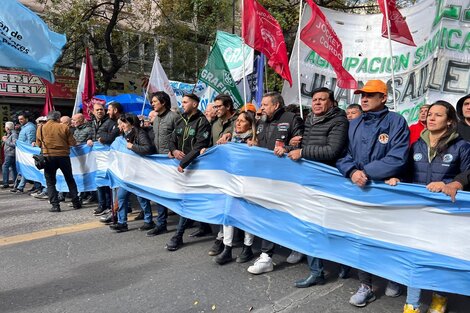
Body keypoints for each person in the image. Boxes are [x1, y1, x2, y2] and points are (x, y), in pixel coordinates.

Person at [384, 101, 470, 313]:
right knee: (416, 255)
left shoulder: (462, 146)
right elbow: (408, 171)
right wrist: (397, 178)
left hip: (446, 213)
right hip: (419, 212)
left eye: (437, 115)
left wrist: (453, 184)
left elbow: (468, 172)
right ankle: (412, 303)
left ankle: (439, 298)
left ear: (449, 121)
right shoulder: (417, 145)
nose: (431, 118)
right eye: (430, 114)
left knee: (440, 256)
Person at [336, 79, 410, 307]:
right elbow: (342, 153)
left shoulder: (397, 122)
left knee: (388, 236)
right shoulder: (354, 122)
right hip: (358, 190)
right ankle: (365, 284)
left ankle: (393, 277)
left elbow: (397, 157)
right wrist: (350, 171)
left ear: (384, 98)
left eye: (370, 95)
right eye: (362, 95)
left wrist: (364, 172)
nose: (364, 99)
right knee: (361, 238)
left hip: (384, 193)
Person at [287, 87, 350, 288]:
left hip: (328, 182)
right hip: (309, 180)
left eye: (322, 99)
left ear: (331, 102)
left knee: (332, 227)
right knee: (309, 225)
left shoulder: (339, 121)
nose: (317, 103)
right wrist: (289, 148)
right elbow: (306, 145)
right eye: (314, 100)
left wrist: (303, 152)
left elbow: (332, 151)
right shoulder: (310, 120)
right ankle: (317, 272)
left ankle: (345, 263)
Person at [247, 91, 304, 275]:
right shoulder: (262, 121)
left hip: (287, 177)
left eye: (264, 104)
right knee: (268, 214)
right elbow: (262, 144)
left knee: (289, 214)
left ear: (276, 105)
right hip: (265, 177)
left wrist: (286, 148)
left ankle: (297, 246)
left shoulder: (293, 118)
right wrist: (254, 144)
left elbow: (301, 144)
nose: (261, 107)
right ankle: (266, 256)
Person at [165, 93, 211, 251]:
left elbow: (200, 145)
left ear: (195, 104)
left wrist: (184, 162)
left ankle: (178, 235)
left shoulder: (202, 122)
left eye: (185, 102)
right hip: (181, 167)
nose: (182, 104)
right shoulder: (180, 119)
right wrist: (174, 150)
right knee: (190, 197)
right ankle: (205, 227)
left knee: (187, 199)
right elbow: (171, 139)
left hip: (195, 167)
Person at [110, 113, 156, 233]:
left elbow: (148, 149)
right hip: (126, 172)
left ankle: (149, 221)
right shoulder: (122, 135)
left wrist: (132, 146)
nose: (121, 125)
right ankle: (122, 223)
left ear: (131, 123)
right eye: (120, 123)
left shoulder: (139, 133)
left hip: (138, 171)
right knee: (121, 197)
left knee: (141, 197)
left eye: (124, 123)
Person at [145, 91, 180, 237]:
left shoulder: (174, 117)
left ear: (163, 102)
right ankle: (161, 224)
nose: (152, 104)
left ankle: (192, 222)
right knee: (161, 193)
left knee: (177, 193)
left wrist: (174, 150)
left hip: (172, 162)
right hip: (159, 162)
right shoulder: (156, 119)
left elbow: (180, 136)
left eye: (154, 101)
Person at [35, 111, 81, 212]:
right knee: (70, 179)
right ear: (58, 118)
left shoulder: (41, 128)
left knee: (50, 182)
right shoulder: (64, 127)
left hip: (48, 156)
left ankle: (55, 205)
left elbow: (38, 144)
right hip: (63, 156)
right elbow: (72, 142)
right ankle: (76, 203)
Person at [87, 102, 121, 216]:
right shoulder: (92, 123)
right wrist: (89, 139)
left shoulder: (111, 122)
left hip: (107, 155)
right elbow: (91, 134)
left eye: (102, 109)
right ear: (93, 111)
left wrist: (102, 139)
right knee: (99, 180)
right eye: (97, 110)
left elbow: (111, 138)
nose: (100, 111)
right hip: (97, 156)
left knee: (106, 181)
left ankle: (107, 205)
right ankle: (102, 205)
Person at [11, 112, 37, 193]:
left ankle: (20, 187)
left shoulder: (30, 128)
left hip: (27, 152)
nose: (20, 121)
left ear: (26, 118)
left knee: (26, 169)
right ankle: (20, 186)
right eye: (19, 119)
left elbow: (31, 141)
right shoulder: (24, 127)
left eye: (21, 119)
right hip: (23, 152)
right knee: (23, 169)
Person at [2, 121, 18, 188]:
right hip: (10, 153)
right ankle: (15, 183)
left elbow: (14, 144)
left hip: (10, 154)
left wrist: (5, 140)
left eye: (5, 127)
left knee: (4, 166)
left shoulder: (13, 134)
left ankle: (5, 183)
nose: (5, 128)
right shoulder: (10, 134)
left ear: (7, 128)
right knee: (13, 168)